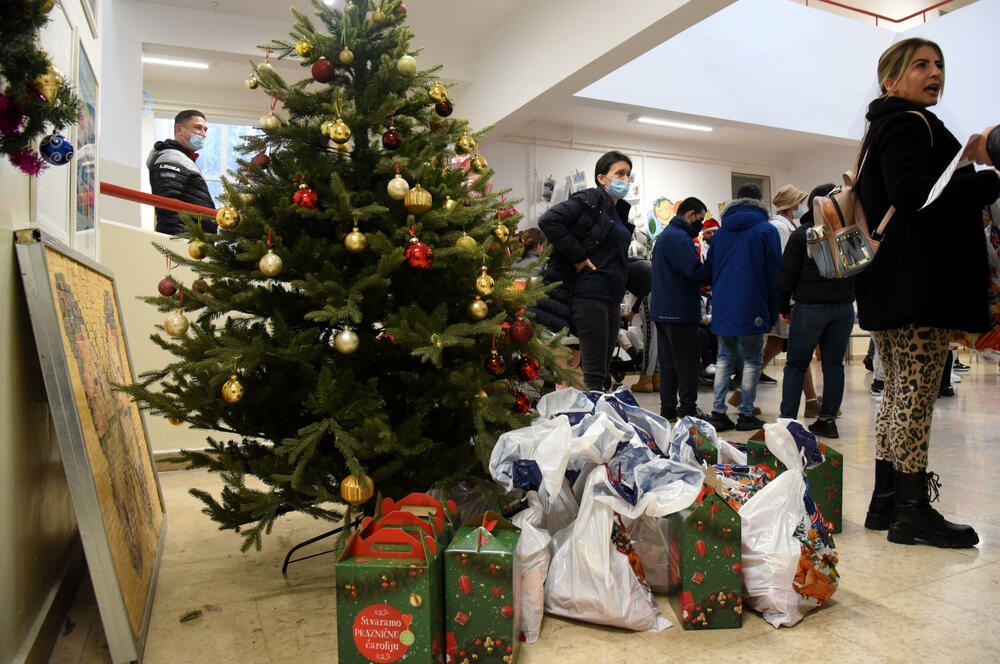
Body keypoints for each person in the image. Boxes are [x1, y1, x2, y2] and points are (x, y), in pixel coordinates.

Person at [855, 38, 1000, 548]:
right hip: (916, 283)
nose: (934, 72)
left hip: (892, 283)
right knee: (915, 395)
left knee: (897, 394)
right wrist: (985, 182)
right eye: (920, 65)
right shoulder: (908, 123)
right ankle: (913, 511)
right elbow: (916, 195)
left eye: (939, 64)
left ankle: (887, 501)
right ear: (890, 79)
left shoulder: (882, 127)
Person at [539, 151, 634, 392]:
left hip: (611, 295)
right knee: (594, 373)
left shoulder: (620, 210)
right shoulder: (590, 199)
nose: (626, 179)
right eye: (619, 173)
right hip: (590, 292)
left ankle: (601, 421)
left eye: (628, 175)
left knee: (603, 370)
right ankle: (593, 424)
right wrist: (579, 257)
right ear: (602, 178)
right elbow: (549, 221)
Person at [774, 183, 855, 438]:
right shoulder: (848, 231)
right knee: (833, 365)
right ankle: (828, 419)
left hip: (810, 307)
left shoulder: (802, 234)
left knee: (796, 364)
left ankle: (787, 421)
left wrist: (782, 305)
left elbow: (786, 274)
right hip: (843, 308)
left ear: (811, 205)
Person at [707, 184, 780, 431]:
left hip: (723, 305)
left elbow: (710, 267)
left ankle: (718, 412)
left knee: (724, 358)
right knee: (751, 360)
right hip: (753, 303)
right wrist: (774, 309)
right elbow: (773, 274)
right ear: (760, 202)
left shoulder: (720, 232)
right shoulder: (766, 230)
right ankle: (746, 414)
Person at [649, 197, 712, 421]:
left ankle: (668, 409)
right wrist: (713, 261)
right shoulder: (679, 238)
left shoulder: (665, 236)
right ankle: (687, 409)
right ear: (691, 214)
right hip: (680, 311)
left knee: (668, 365)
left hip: (663, 311)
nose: (701, 224)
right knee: (687, 364)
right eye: (701, 218)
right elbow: (695, 273)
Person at [147, 109, 217, 235]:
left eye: (205, 130)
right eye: (198, 128)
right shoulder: (171, 159)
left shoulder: (184, 160)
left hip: (196, 241)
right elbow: (169, 207)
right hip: (185, 241)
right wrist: (178, 243)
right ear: (179, 129)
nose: (203, 134)